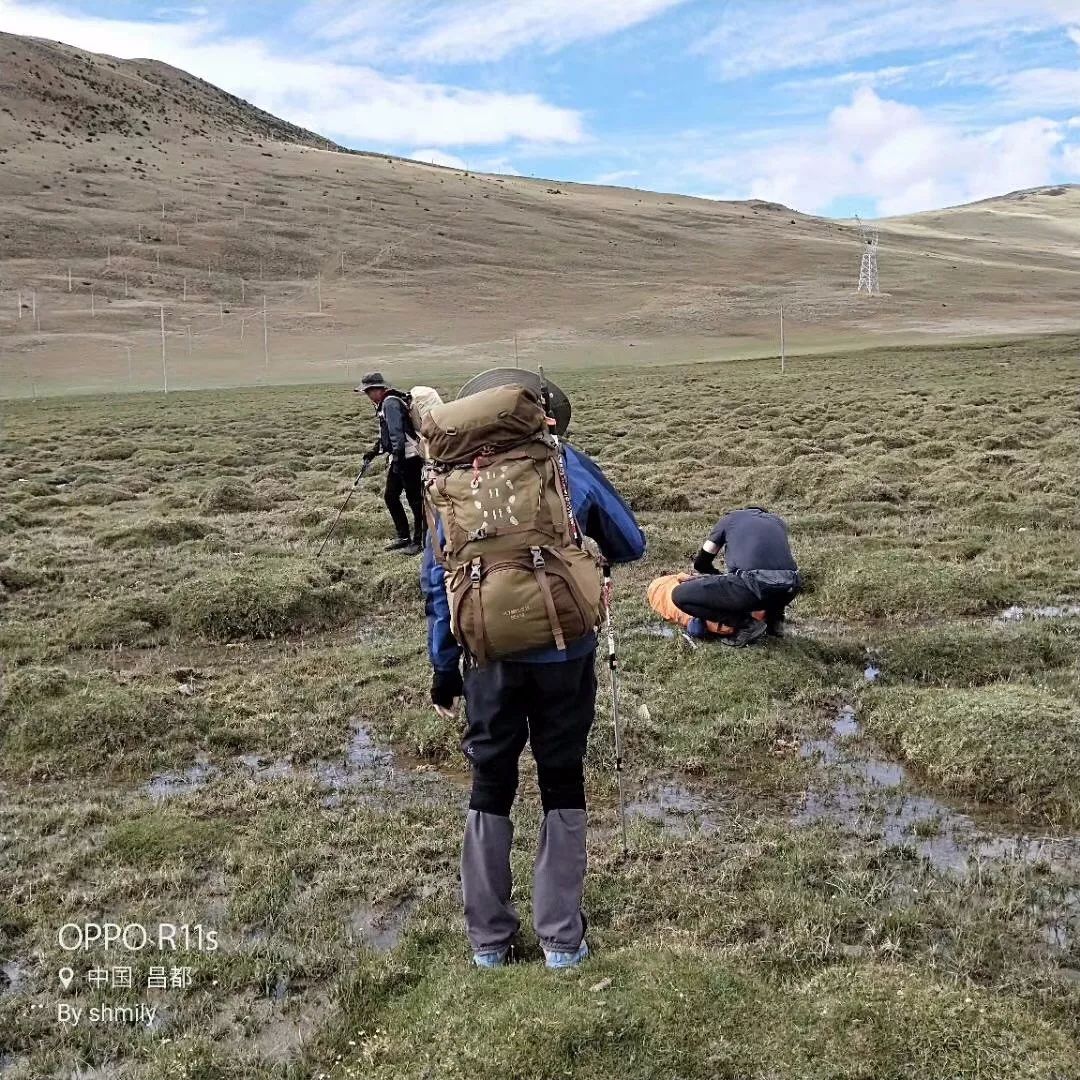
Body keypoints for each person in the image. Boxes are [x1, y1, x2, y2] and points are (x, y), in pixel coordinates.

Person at [421, 372, 645, 971]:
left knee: (490, 783)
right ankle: (561, 942)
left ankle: (489, 943)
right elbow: (630, 542)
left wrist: (445, 669)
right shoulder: (563, 463)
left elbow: (437, 584)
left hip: (486, 658)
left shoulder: (448, 481)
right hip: (564, 651)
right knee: (562, 778)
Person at [674, 506, 801, 643]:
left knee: (679, 595)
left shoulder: (731, 518)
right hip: (790, 589)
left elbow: (701, 563)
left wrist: (716, 576)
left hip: (752, 588)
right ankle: (775, 623)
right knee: (773, 573)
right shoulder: (777, 521)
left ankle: (747, 625)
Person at [356, 371, 424, 555]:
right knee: (391, 497)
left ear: (378, 389)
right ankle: (404, 537)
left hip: (409, 458)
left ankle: (419, 541)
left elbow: (397, 436)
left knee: (415, 500)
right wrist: (373, 452)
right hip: (400, 457)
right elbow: (387, 436)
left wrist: (398, 461)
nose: (368, 395)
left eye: (369, 391)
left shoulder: (391, 403)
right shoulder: (386, 403)